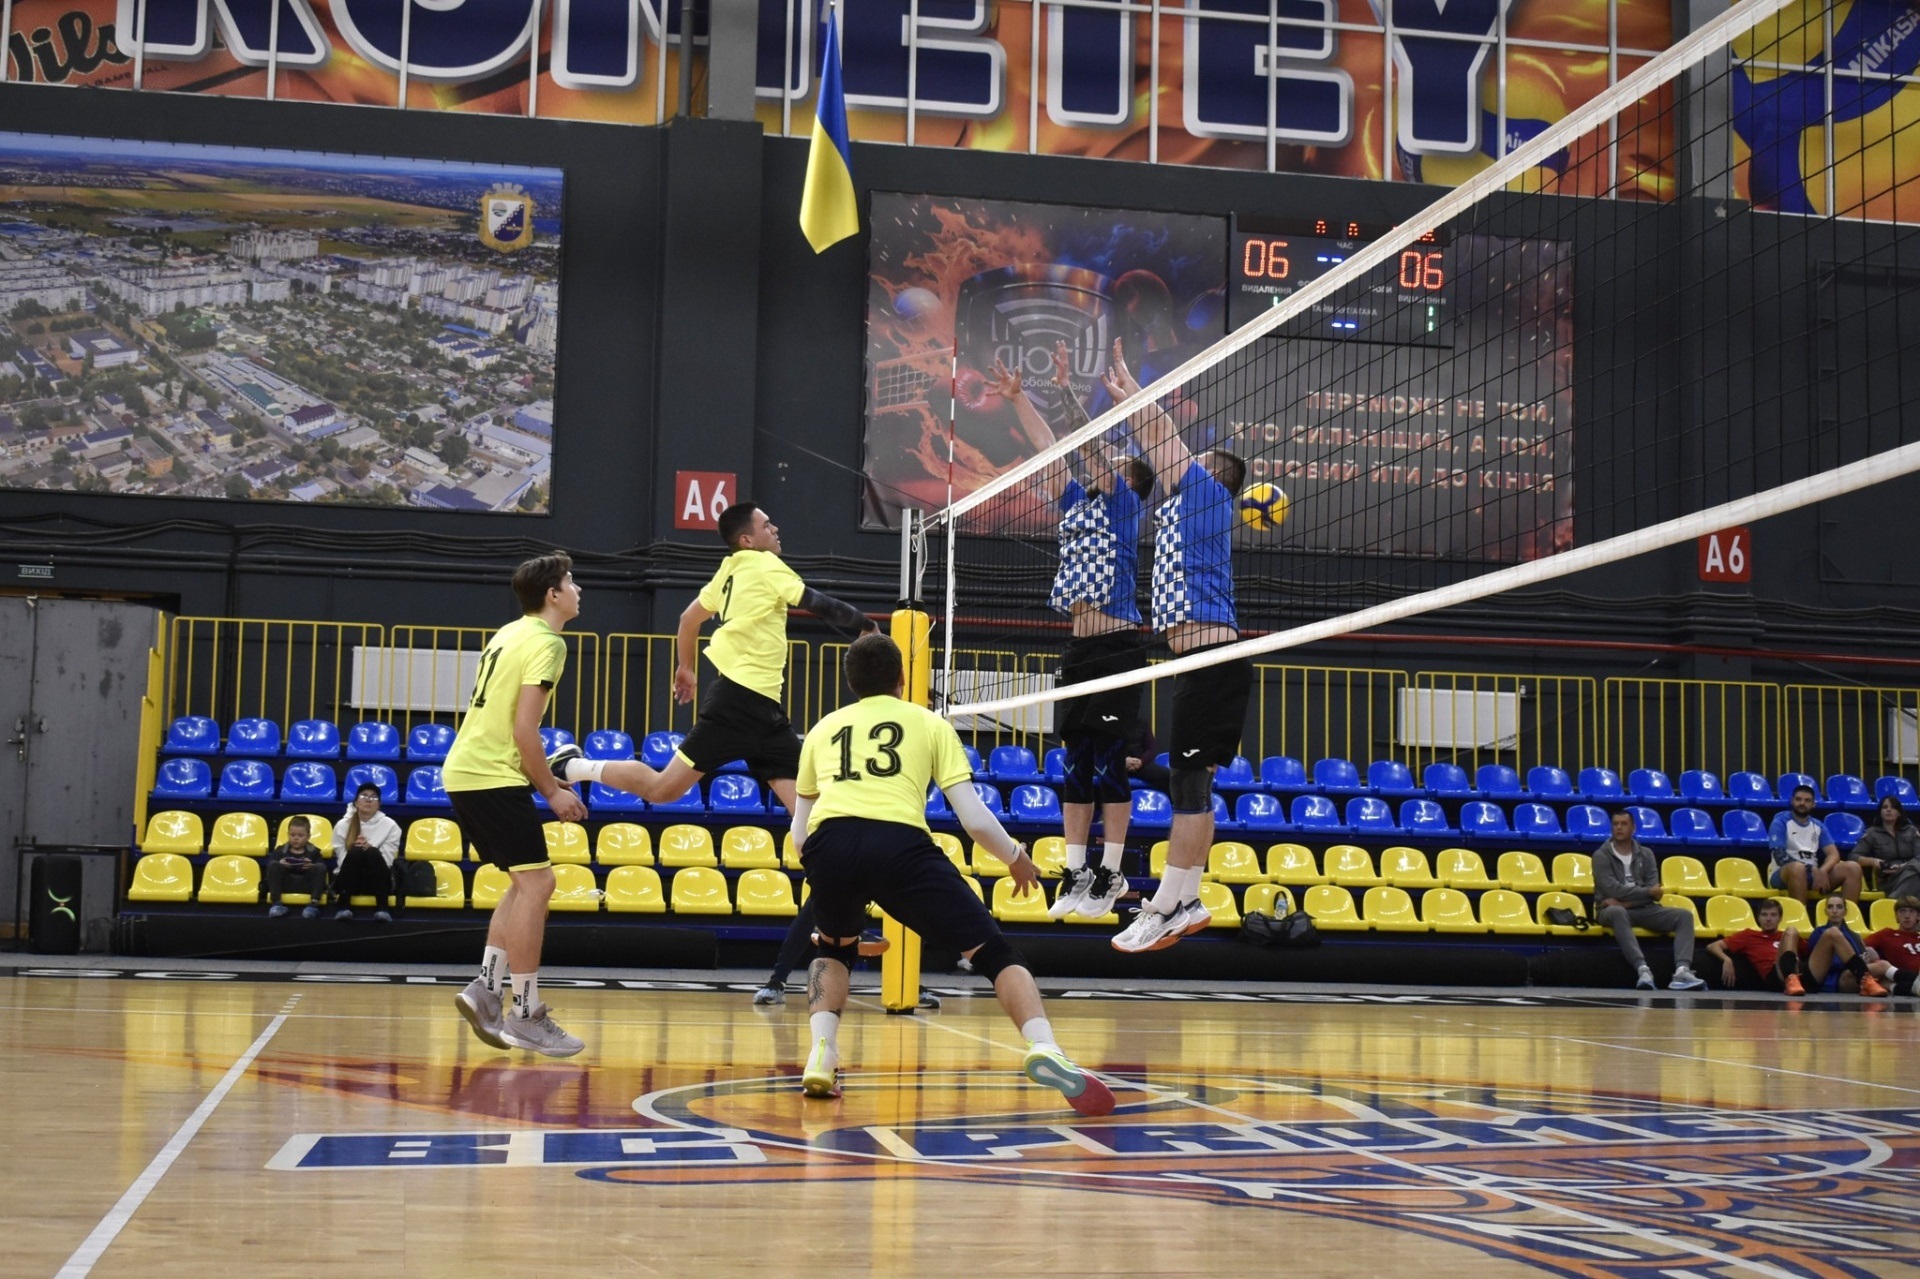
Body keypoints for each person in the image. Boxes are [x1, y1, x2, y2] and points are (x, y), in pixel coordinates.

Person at [790, 632, 1114, 1115]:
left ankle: (822, 1053)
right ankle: (1044, 1046)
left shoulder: (822, 729)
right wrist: (1015, 856)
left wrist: (834, 876)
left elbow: (799, 833)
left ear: (851, 682)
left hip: (828, 843)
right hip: (899, 844)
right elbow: (974, 818)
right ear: (902, 678)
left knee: (833, 947)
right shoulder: (928, 722)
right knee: (994, 952)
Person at [547, 502, 875, 819]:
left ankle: (827, 862)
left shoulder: (729, 570)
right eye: (766, 525)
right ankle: (574, 766)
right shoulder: (765, 564)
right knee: (662, 790)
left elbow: (688, 619)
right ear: (747, 540)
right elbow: (816, 602)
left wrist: (686, 668)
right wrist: (866, 624)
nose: (775, 529)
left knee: (810, 816)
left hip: (764, 711)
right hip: (738, 704)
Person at [985, 341, 1148, 921]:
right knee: (1075, 765)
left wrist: (1064, 391)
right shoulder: (1078, 501)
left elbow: (1087, 446)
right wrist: (1019, 399)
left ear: (1129, 480)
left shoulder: (1125, 505)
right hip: (1079, 647)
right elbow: (1050, 450)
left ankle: (1111, 871)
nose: (1107, 462)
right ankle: (1077, 871)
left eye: (1117, 461)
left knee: (1109, 765)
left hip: (1118, 647)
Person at [1104, 340, 1250, 953]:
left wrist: (1133, 396)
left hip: (1210, 660)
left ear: (1211, 476)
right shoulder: (1189, 511)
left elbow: (1163, 438)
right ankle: (1186, 901)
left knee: (1189, 791)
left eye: (1192, 463)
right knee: (1194, 791)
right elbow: (1157, 447)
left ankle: (1166, 905)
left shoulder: (1207, 496)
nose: (1175, 470)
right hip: (1203, 662)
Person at [446, 552, 588, 1058]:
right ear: (553, 594)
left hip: (467, 770)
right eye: (571, 582)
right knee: (539, 884)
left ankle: (486, 989)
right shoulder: (549, 642)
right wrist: (551, 791)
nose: (578, 590)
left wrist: (541, 775)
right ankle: (525, 1014)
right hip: (491, 774)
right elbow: (524, 729)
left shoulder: (508, 633)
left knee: (524, 883)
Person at [1591, 809, 1707, 990]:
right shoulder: (1601, 856)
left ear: (1633, 828)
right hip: (1609, 911)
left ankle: (1682, 971)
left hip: (1643, 909)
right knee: (1617, 911)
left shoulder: (1646, 854)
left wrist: (1626, 902)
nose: (1619, 828)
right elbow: (1612, 889)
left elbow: (1655, 891)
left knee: (1684, 916)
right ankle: (1642, 969)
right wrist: (1646, 893)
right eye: (1615, 824)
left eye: (1624, 824)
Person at [1768, 784, 1863, 901]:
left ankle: (1848, 912)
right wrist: (1811, 868)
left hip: (1813, 874)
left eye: (1807, 800)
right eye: (1798, 799)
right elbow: (1780, 857)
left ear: (1813, 804)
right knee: (1798, 868)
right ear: (1792, 801)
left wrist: (1823, 870)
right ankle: (1801, 912)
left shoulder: (1818, 825)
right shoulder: (1780, 822)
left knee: (1853, 868)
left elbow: (1833, 854)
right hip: (1784, 873)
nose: (1802, 803)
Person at [330, 782, 401, 921]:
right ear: (356, 802)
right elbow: (342, 860)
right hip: (349, 878)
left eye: (373, 797)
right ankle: (343, 906)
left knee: (372, 852)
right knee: (356, 852)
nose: (368, 800)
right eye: (364, 796)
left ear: (378, 805)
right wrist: (356, 851)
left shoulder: (391, 826)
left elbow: (387, 861)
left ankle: (382, 908)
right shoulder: (342, 825)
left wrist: (369, 849)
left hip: (376, 879)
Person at [1704, 897, 1805, 993]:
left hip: (1799, 971)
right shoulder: (1749, 935)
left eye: (1773, 915)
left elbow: (1808, 951)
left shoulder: (1788, 936)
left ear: (1780, 918)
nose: (1768, 919)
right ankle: (1791, 978)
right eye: (1764, 915)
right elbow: (1712, 946)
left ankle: (1796, 979)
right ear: (1758, 918)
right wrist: (1726, 959)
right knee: (1791, 930)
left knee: (1792, 933)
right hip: (1776, 975)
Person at [1803, 893, 1892, 996]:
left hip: (1850, 976)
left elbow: (1860, 960)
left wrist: (1866, 959)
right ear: (1825, 911)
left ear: (1845, 911)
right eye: (1830, 907)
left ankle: (1903, 985)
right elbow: (1821, 963)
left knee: (1883, 965)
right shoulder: (1818, 933)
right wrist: (1857, 962)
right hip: (1829, 979)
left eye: (1839, 907)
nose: (1834, 911)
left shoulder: (1855, 936)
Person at [1851, 794, 1920, 901]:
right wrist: (1873, 861)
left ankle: (1892, 901)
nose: (1888, 810)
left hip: (1911, 870)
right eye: (1885, 807)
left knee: (1914, 872)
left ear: (1899, 813)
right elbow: (1853, 856)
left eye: (1893, 807)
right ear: (1880, 812)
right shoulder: (1872, 833)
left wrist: (1903, 866)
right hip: (1888, 877)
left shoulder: (1911, 831)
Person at [264, 815, 326, 919]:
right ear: (288, 834)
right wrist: (280, 864)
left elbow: (321, 870)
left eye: (300, 835)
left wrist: (312, 866)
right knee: (274, 865)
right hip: (286, 884)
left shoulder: (314, 852)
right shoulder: (280, 850)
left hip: (306, 884)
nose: (296, 838)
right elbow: (270, 868)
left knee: (320, 867)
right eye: (292, 835)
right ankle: (276, 903)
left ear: (308, 836)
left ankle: (314, 904)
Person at [1863, 895, 1920, 996]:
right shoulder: (1887, 934)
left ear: (1918, 916)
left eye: (1911, 911)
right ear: (1896, 916)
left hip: (1907, 980)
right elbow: (1859, 945)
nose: (1907, 916)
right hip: (1900, 975)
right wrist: (1870, 952)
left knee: (1891, 985)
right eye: (1902, 911)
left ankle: (1892, 986)